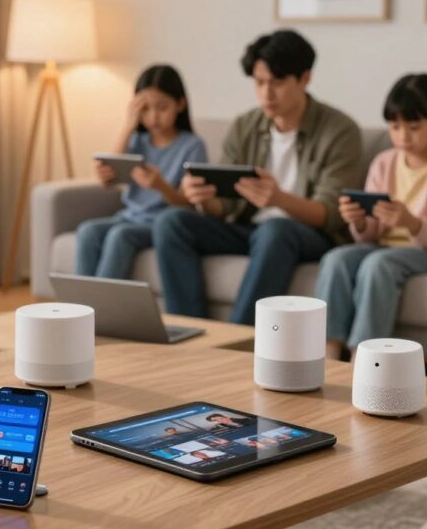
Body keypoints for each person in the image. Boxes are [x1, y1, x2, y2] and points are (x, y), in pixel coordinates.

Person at [153, 30, 362, 325]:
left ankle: (240, 340)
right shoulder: (246, 125)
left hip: (308, 234)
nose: (267, 93)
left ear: (304, 79)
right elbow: (224, 207)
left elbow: (331, 214)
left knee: (275, 228)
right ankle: (191, 331)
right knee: (171, 222)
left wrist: (278, 199)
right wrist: (204, 199)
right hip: (250, 230)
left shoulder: (339, 130)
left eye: (277, 82)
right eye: (259, 82)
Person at [315, 74, 427, 360]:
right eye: (395, 126)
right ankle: (327, 353)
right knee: (336, 259)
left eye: (413, 127)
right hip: (384, 246)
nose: (403, 136)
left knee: (379, 265)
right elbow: (370, 233)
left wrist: (411, 222)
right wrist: (359, 221)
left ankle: (364, 357)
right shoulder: (384, 162)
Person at [75, 64, 208, 279]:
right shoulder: (137, 140)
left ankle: (103, 307)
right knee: (87, 231)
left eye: (162, 108)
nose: (153, 117)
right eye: (145, 109)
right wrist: (128, 126)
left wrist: (161, 186)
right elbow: (110, 178)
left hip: (161, 223)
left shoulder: (192, 145)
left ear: (180, 104)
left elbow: (189, 203)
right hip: (130, 216)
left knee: (120, 236)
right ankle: (81, 308)